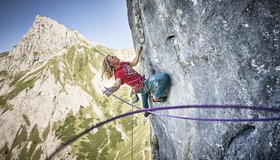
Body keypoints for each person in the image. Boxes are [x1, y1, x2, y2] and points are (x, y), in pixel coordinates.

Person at [101, 46, 171, 117]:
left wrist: (138, 53)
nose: (115, 56)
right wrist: (111, 89)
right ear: (111, 64)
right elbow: (117, 84)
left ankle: (145, 111)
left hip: (141, 85)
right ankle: (157, 97)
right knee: (164, 77)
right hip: (142, 85)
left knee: (144, 92)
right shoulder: (118, 74)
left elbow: (134, 63)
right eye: (112, 57)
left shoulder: (122, 64)